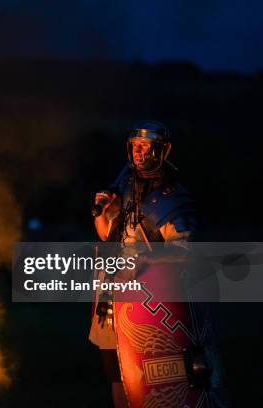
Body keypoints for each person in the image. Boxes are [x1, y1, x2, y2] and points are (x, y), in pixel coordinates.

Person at [89, 120, 197, 407]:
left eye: (145, 147)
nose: (138, 153)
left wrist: (146, 258)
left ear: (160, 150)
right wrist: (101, 210)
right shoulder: (124, 184)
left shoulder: (171, 196)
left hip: (147, 298)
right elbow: (105, 234)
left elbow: (183, 250)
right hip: (111, 291)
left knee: (150, 373)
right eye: (135, 146)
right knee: (116, 371)